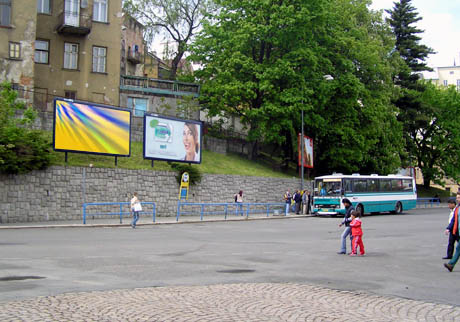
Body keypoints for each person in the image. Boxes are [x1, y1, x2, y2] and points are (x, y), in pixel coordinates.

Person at [444, 194, 460, 272]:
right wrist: (448, 228)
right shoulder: (457, 208)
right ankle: (451, 265)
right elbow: (453, 220)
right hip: (458, 232)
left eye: (459, 198)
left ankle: (451, 264)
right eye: (457, 198)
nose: (457, 199)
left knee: (458, 248)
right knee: (458, 248)